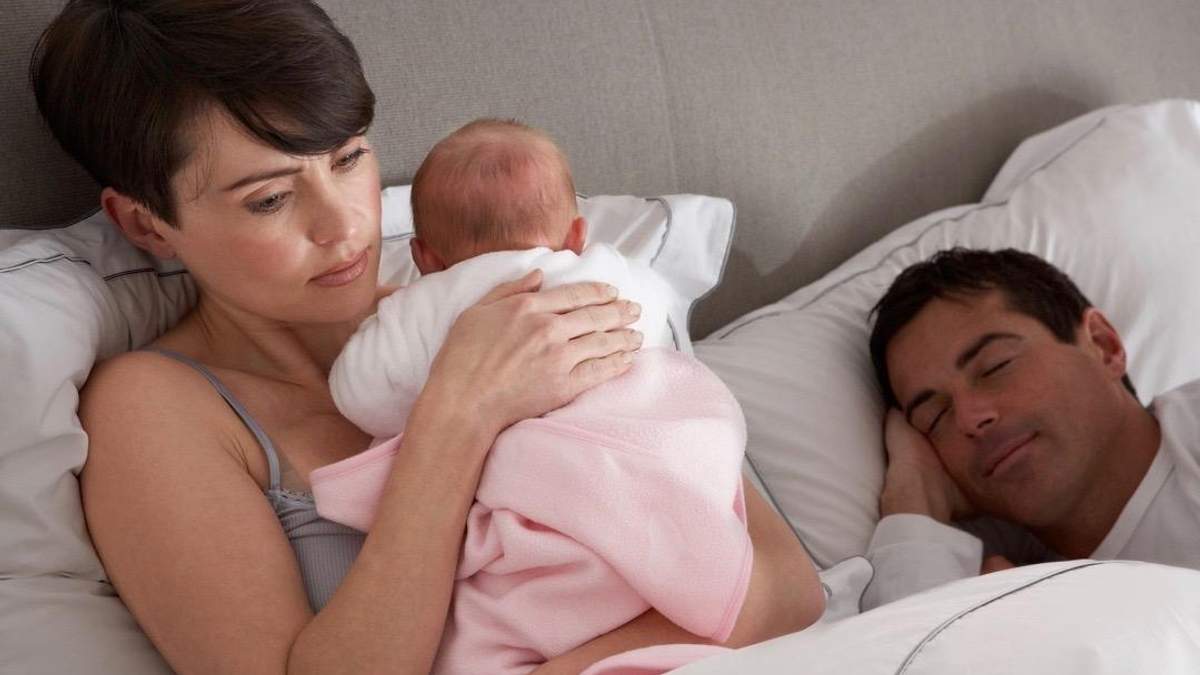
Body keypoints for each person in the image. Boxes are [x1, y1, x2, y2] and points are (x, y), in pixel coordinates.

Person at [29, 2, 823, 673]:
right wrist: (457, 416)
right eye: (270, 199)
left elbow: (787, 587)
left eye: (349, 159)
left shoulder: (512, 305)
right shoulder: (152, 408)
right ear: (145, 224)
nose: (344, 223)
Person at [314, 118, 759, 674]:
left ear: (424, 257)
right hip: (639, 484)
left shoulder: (418, 307)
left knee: (502, 609)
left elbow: (362, 396)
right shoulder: (609, 274)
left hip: (539, 502)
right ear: (577, 234)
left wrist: (376, 329)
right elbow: (655, 332)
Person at [861, 247, 1200, 610]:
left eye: (995, 366)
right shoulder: (1010, 594)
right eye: (934, 417)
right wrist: (915, 497)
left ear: (1103, 346)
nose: (970, 419)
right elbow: (909, 641)